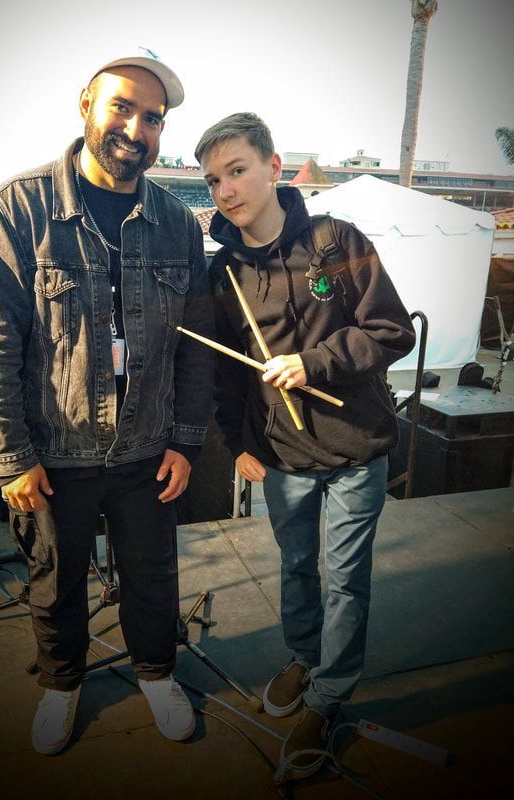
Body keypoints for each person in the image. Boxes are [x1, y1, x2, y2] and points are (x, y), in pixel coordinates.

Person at [0, 51, 214, 755]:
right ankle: (62, 683)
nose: (136, 128)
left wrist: (187, 442)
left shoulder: (176, 224)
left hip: (147, 445)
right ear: (85, 105)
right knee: (55, 579)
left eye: (153, 118)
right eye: (121, 108)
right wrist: (10, 457)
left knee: (153, 574)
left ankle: (157, 672)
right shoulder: (18, 207)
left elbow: (195, 348)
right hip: (53, 447)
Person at [194, 113, 416, 779]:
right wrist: (237, 442)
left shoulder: (334, 240)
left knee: (346, 580)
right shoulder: (223, 272)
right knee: (296, 568)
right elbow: (229, 372)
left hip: (357, 449)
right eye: (212, 180)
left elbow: (392, 330)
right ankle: (302, 655)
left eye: (237, 170)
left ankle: (328, 696)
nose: (225, 189)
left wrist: (312, 362)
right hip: (281, 454)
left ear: (274, 167)